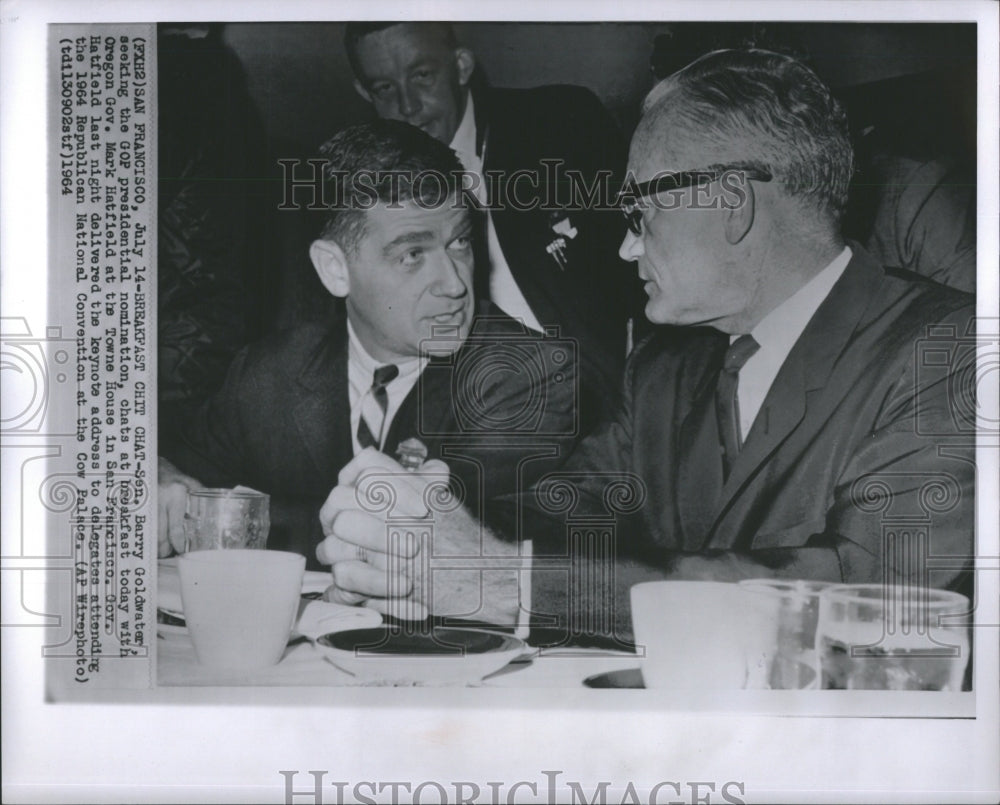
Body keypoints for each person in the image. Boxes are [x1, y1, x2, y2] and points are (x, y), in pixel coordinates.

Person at [318, 49, 975, 642]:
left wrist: (501, 581)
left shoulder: (948, 351)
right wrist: (417, 522)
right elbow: (568, 506)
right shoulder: (667, 365)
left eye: (640, 211)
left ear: (732, 204)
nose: (627, 245)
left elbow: (870, 595)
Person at [159, 120, 590, 624]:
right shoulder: (268, 373)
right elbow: (181, 470)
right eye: (413, 254)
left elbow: (424, 540)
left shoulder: (531, 372)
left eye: (460, 243)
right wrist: (164, 480)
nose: (454, 283)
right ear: (335, 270)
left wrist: (229, 518)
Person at [343, 22, 642, 417]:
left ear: (462, 66)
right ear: (364, 92)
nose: (408, 106)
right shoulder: (362, 190)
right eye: (384, 88)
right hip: (474, 431)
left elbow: (645, 270)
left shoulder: (561, 124)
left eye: (422, 76)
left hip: (608, 412)